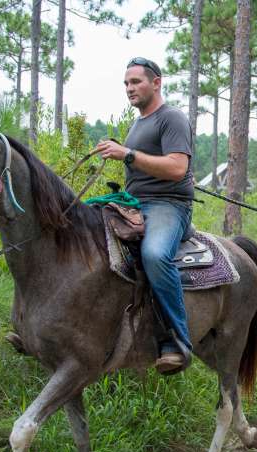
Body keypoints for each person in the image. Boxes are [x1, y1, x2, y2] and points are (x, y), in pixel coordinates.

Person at [95, 57, 194, 375]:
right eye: (126, 83)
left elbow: (178, 168)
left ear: (156, 83)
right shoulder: (137, 124)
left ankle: (177, 341)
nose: (129, 88)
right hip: (134, 204)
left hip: (169, 205)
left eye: (135, 82)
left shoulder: (172, 118)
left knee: (154, 254)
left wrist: (128, 154)